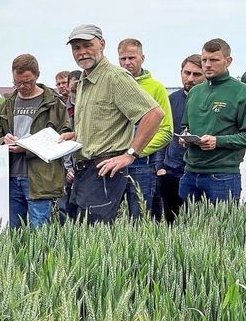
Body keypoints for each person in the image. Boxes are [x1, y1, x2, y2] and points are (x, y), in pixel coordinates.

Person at [61, 24, 165, 224]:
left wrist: (130, 155)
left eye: (87, 45)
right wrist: (75, 135)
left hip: (103, 170)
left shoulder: (115, 77)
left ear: (102, 44)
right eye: (76, 48)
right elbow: (103, 122)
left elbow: (154, 114)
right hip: (83, 172)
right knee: (77, 231)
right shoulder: (83, 81)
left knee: (93, 235)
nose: (82, 52)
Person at [0, 54, 71, 228]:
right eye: (17, 82)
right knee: (13, 232)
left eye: (27, 82)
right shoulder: (7, 104)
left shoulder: (54, 104)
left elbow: (63, 138)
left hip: (41, 178)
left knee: (40, 232)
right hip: (11, 176)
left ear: (38, 75)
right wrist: (4, 141)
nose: (22, 87)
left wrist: (28, 148)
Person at [179, 38, 246, 203]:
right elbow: (186, 126)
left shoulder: (241, 92)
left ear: (228, 61)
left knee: (223, 221)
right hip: (189, 173)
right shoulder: (194, 92)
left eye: (214, 60)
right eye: (204, 60)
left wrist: (218, 141)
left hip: (223, 175)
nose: (207, 65)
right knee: (187, 220)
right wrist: (185, 136)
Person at [117, 38, 173, 218]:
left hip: (142, 164)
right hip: (113, 162)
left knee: (140, 218)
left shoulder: (156, 88)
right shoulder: (113, 85)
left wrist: (134, 151)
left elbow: (166, 131)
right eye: (123, 58)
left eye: (132, 58)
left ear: (142, 58)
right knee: (108, 219)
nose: (127, 62)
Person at [159, 54, 204, 222]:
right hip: (171, 171)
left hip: (199, 172)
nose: (190, 78)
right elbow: (162, 133)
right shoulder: (171, 99)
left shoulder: (211, 101)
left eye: (196, 74)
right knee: (171, 224)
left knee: (199, 223)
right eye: (187, 73)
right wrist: (160, 166)